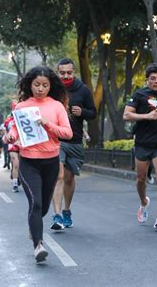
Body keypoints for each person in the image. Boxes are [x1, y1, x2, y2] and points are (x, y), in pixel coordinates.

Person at [4, 66, 72, 263]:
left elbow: (67, 133)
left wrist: (47, 124)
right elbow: (16, 130)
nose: (41, 89)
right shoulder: (22, 106)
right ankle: (38, 245)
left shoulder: (57, 106)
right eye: (37, 85)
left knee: (42, 208)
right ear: (30, 85)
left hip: (51, 161)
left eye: (45, 85)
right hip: (29, 162)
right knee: (36, 203)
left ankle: (33, 227)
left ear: (50, 86)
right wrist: (11, 136)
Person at [123, 63, 157, 230]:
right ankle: (144, 201)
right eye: (153, 79)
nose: (156, 81)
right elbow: (126, 115)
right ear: (147, 80)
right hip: (143, 143)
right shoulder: (139, 95)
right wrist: (146, 116)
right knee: (141, 179)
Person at [51, 58, 97, 230]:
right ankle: (56, 216)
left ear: (74, 72)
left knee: (69, 179)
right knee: (59, 176)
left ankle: (66, 210)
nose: (65, 76)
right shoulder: (52, 90)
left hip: (75, 140)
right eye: (62, 73)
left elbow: (93, 112)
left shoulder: (83, 90)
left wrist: (82, 111)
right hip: (57, 140)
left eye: (69, 72)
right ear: (58, 72)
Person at [4, 102, 20, 193]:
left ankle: (18, 178)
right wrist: (7, 136)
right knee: (16, 164)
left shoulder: (25, 118)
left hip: (23, 144)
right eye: (14, 109)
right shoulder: (8, 121)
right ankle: (15, 185)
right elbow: (6, 132)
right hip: (12, 144)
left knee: (21, 165)